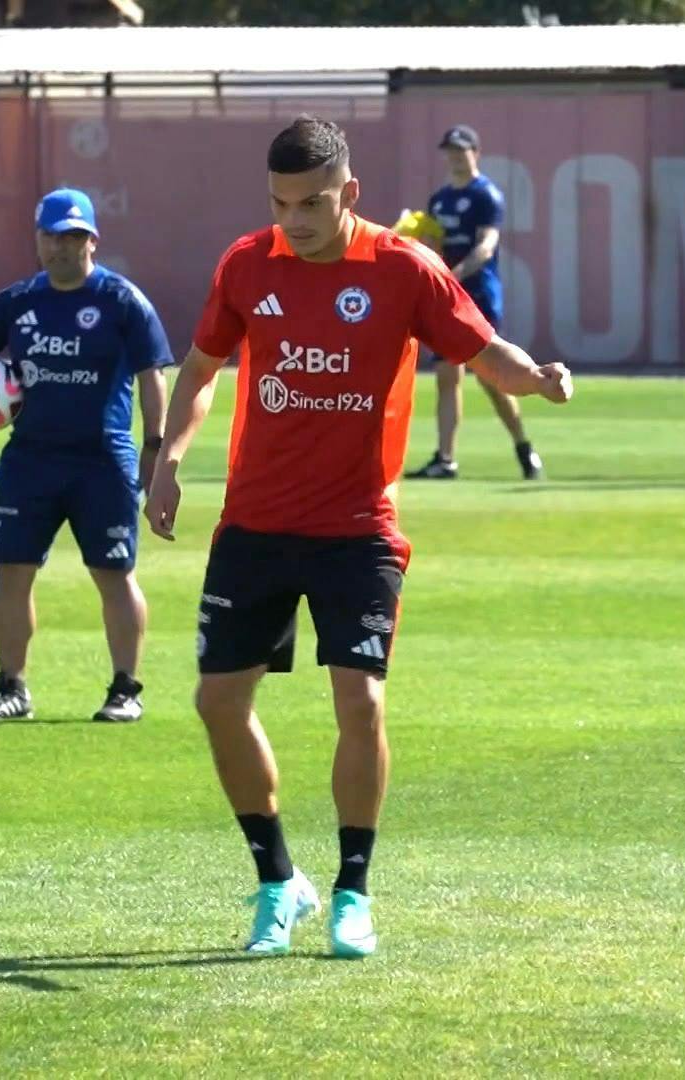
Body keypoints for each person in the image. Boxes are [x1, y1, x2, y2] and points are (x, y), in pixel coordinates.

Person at [144, 116, 572, 958]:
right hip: (256, 524)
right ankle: (278, 882)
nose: (293, 221)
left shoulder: (406, 269)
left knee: (361, 700)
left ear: (350, 194)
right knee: (217, 703)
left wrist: (539, 378)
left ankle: (352, 892)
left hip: (356, 532)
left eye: (310, 204)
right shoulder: (246, 263)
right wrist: (168, 457)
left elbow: (486, 352)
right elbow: (199, 369)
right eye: (279, 203)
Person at [0, 188, 172, 724]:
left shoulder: (122, 301)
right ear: (38, 238)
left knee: (114, 573)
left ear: (93, 241)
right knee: (11, 572)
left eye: (74, 237)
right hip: (30, 461)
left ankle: (126, 688)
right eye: (53, 236)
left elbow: (154, 377)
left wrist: (154, 449)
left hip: (102, 460)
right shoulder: (18, 302)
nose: (62, 247)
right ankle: (12, 688)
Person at [406, 124, 544, 482]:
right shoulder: (439, 199)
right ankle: (446, 458)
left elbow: (486, 246)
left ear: (475, 153)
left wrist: (453, 273)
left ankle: (523, 446)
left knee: (493, 380)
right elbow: (432, 243)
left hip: (478, 294)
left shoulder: (486, 196)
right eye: (449, 150)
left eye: (461, 149)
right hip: (447, 297)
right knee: (447, 375)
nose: (454, 156)